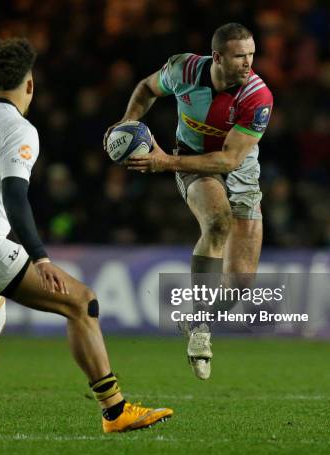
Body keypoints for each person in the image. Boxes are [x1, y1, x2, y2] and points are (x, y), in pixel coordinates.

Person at [0, 37, 172, 432]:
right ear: (29, 84)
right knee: (82, 304)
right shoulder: (19, 129)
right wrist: (40, 256)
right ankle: (115, 411)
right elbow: (16, 197)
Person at [106, 23, 273, 380]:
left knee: (238, 288)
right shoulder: (184, 69)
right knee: (217, 223)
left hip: (239, 170)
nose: (249, 63)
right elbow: (147, 88)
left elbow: (229, 161)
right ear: (217, 57)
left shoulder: (258, 97)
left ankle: (197, 316)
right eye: (240, 56)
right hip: (194, 162)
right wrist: (127, 122)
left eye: (251, 55)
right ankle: (199, 329)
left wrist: (163, 162)